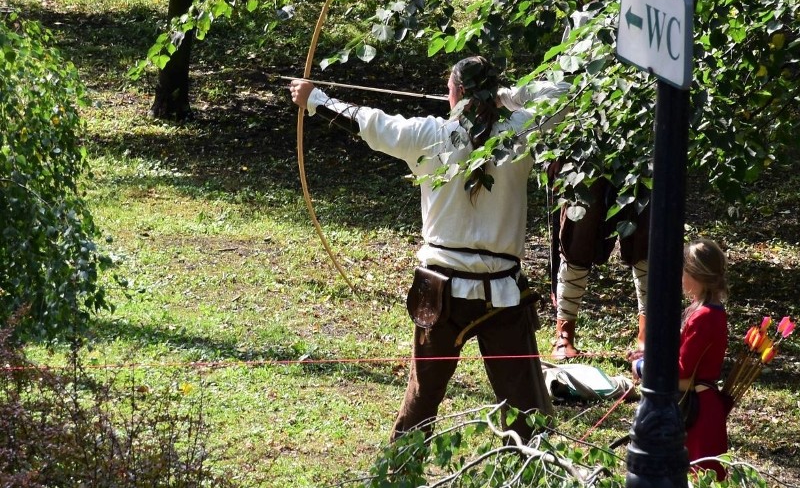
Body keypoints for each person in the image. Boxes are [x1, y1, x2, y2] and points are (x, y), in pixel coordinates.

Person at [288, 56, 566, 442]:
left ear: (458, 92)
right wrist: (509, 96)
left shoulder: (430, 134)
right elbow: (561, 94)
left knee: (424, 397)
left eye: (450, 89)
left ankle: (402, 472)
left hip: (443, 292)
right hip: (499, 295)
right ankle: (532, 470)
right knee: (525, 406)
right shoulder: (518, 131)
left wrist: (316, 99)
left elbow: (368, 123)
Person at [630, 238, 729, 480]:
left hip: (699, 414)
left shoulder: (704, 316)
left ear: (696, 275)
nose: (680, 277)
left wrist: (643, 367)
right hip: (696, 407)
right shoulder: (702, 310)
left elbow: (682, 370)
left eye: (683, 271)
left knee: (700, 479)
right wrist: (648, 355)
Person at [549, 179, 650, 359]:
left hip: (643, 155)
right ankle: (564, 336)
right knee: (578, 235)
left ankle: (648, 337)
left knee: (644, 238)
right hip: (589, 158)